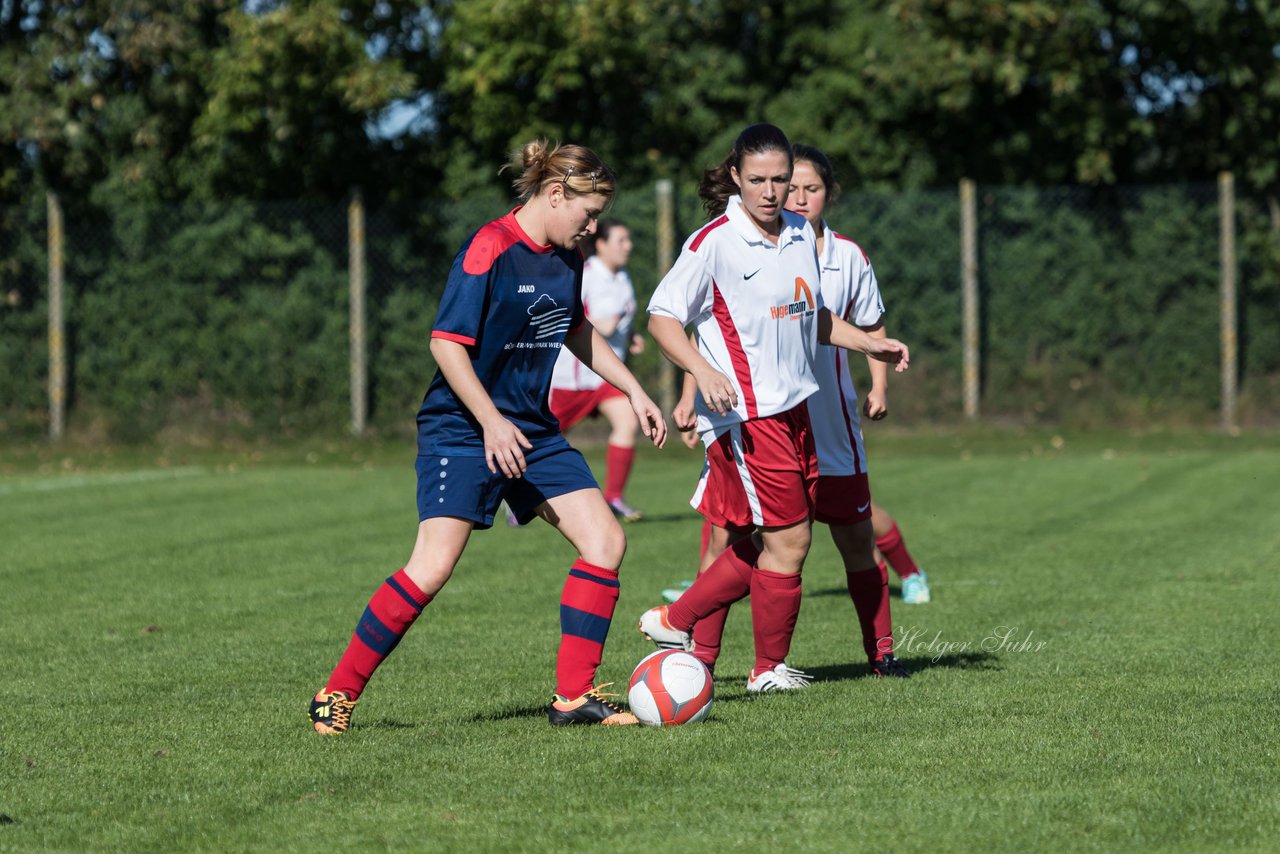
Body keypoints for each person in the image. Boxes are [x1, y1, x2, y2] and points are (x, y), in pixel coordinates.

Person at [308, 141, 667, 734]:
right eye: (588, 212)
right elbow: (446, 343)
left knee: (604, 541)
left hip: (532, 429)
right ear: (556, 194)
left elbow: (574, 327)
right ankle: (337, 694)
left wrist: (634, 389)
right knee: (432, 567)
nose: (594, 226)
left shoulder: (567, 256)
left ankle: (574, 698)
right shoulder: (490, 247)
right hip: (462, 429)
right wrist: (491, 422)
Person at [636, 123, 909, 693]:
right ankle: (743, 657)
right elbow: (662, 316)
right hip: (746, 415)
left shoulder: (798, 234)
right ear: (736, 177)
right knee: (789, 540)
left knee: (772, 539)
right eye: (757, 179)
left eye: (780, 180)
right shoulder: (713, 241)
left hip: (795, 410)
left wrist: (870, 343)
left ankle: (697, 630)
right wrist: (702, 370)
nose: (769, 191)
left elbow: (814, 318)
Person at [547, 219, 647, 522]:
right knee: (541, 440)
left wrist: (630, 336)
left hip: (606, 376)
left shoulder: (622, 277)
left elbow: (619, 319)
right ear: (601, 244)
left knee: (627, 422)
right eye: (621, 240)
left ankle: (614, 498)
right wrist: (604, 325)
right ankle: (516, 498)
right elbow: (574, 316)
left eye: (628, 240)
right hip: (573, 378)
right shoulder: (586, 274)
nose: (628, 246)